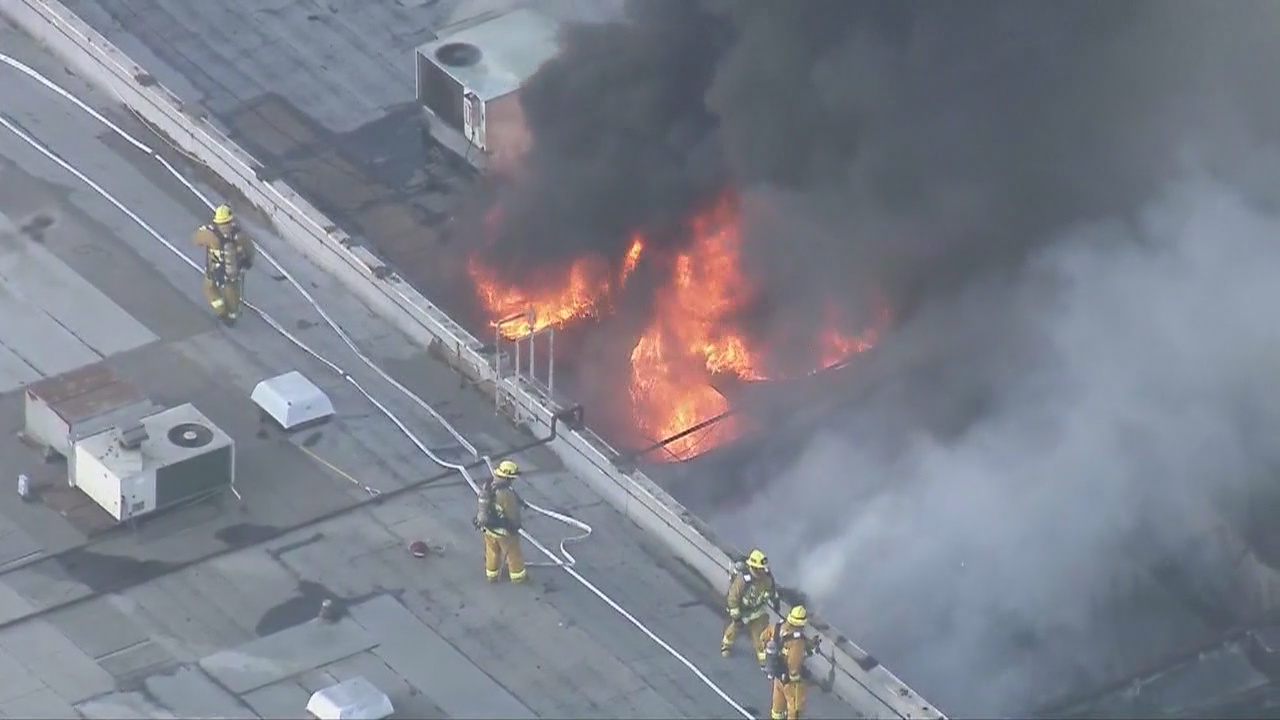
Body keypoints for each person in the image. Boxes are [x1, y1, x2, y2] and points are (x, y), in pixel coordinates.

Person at [760, 605, 820, 720]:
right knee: (794, 709)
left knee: (777, 706)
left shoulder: (776, 627)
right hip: (790, 682)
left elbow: (763, 638)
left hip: (777, 676)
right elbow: (794, 664)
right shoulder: (798, 642)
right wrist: (798, 679)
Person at [474, 459, 528, 583]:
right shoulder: (506, 493)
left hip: (488, 529)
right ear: (509, 477)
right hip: (504, 532)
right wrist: (515, 526)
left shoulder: (489, 486)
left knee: (492, 552)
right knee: (513, 554)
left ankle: (491, 575)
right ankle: (518, 577)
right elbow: (512, 513)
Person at [721, 548, 779, 663]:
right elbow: (733, 597)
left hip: (757, 610)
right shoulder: (744, 580)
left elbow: (772, 590)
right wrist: (736, 616)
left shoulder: (767, 578)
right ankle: (726, 646)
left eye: (763, 569)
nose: (762, 571)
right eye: (760, 569)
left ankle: (763, 660)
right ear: (754, 567)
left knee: (759, 635)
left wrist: (775, 601)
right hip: (743, 610)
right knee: (734, 629)